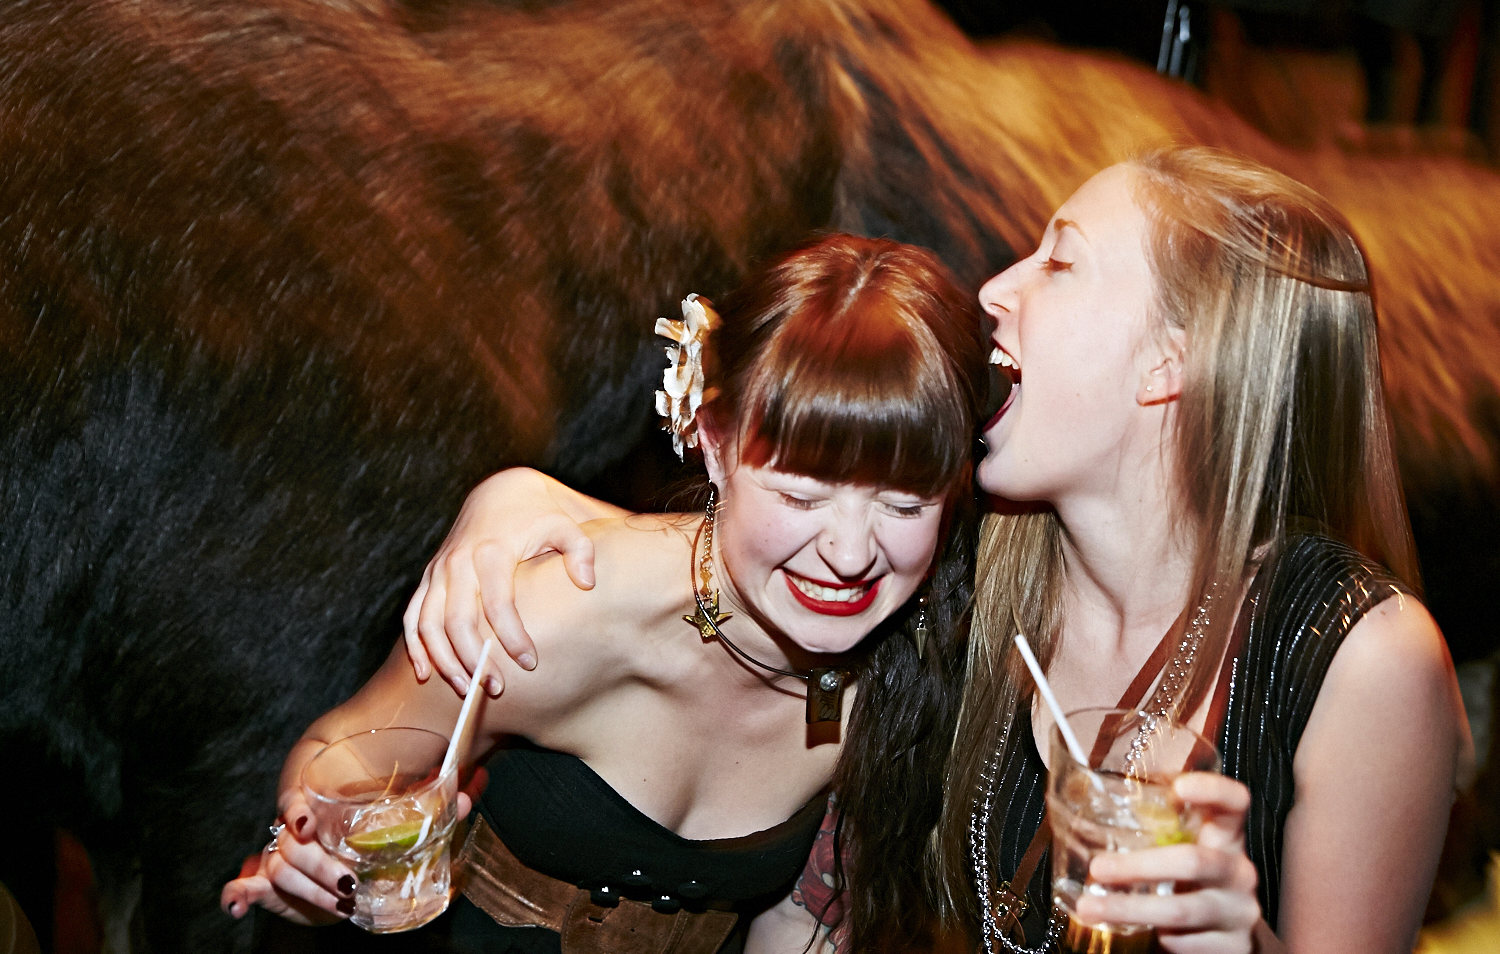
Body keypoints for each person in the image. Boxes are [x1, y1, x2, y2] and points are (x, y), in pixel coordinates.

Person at [405, 148, 1471, 953]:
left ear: (1166, 365)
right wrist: (520, 503)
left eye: (1059, 260)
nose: (997, 290)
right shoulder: (968, 587)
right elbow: (770, 546)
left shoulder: (1358, 655)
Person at [219, 233, 989, 953]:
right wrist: (317, 858)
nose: (851, 555)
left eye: (903, 504)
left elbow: (804, 915)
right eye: (802, 494)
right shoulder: (552, 619)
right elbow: (342, 754)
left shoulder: (910, 673)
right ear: (714, 445)